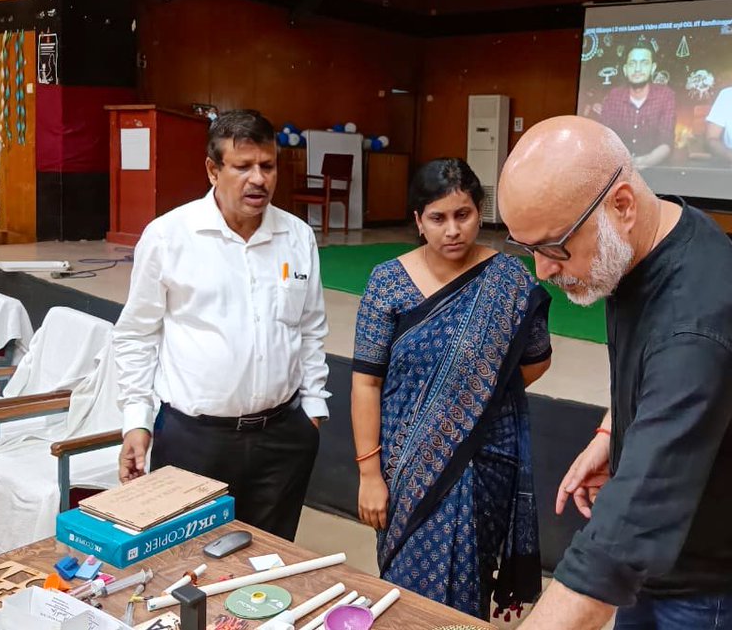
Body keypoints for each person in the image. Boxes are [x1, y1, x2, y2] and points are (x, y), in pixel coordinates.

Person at [497, 116, 732, 630]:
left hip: (711, 578)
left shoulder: (697, 326)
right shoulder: (650, 238)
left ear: (622, 205)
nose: (542, 270)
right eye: (528, 249)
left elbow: (618, 547)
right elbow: (658, 371)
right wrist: (613, 431)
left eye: (553, 246)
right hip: (661, 561)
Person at [350, 158, 552, 619]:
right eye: (438, 218)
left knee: (471, 580)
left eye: (463, 214)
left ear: (480, 212)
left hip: (484, 461)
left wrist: (476, 398)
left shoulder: (509, 280)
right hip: (406, 466)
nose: (453, 230)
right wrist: (369, 474)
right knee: (406, 590)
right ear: (418, 221)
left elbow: (537, 360)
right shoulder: (388, 282)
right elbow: (366, 381)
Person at [114, 109, 329, 541]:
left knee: (268, 559)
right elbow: (137, 333)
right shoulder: (169, 236)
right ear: (213, 170)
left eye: (267, 166)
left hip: (283, 438)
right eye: (243, 166)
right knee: (187, 560)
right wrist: (137, 419)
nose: (259, 179)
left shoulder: (296, 236)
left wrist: (313, 411)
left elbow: (310, 328)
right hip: (195, 439)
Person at [592, 46, 676, 169]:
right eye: (632, 63)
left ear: (653, 68)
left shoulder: (665, 96)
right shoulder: (614, 96)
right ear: (625, 69)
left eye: (644, 63)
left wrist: (644, 162)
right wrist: (623, 166)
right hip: (618, 169)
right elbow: (604, 138)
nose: (637, 69)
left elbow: (666, 142)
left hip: (654, 170)